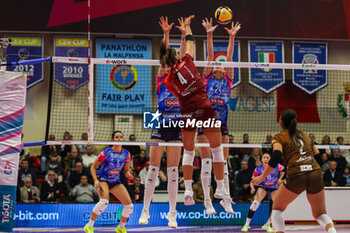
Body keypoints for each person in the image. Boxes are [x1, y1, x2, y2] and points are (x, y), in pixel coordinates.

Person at [160, 15, 230, 212]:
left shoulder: (167, 81)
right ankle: (221, 189)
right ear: (177, 57)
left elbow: (170, 66)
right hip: (204, 107)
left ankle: (188, 191)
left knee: (189, 152)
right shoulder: (188, 61)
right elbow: (190, 42)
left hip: (187, 111)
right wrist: (187, 28)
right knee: (217, 150)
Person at [253, 109, 337, 233]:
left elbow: (275, 157)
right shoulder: (305, 136)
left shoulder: (279, 137)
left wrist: (261, 177)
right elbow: (319, 159)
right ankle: (332, 231)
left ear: (281, 122)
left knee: (277, 209)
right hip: (315, 173)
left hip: (297, 174)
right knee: (320, 214)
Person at [139, 16, 184, 228]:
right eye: (165, 65)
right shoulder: (160, 77)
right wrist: (166, 34)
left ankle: (172, 213)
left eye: (170, 64)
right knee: (153, 169)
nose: (167, 67)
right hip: (159, 120)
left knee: (173, 171)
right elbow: (164, 55)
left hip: (177, 124)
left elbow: (183, 57)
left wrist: (184, 35)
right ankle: (145, 211)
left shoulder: (181, 78)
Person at [196, 17, 240, 215]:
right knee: (206, 164)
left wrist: (232, 38)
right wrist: (209, 33)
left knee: (222, 164)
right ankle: (207, 202)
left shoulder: (229, 80)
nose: (219, 65)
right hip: (205, 124)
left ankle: (226, 200)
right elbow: (211, 54)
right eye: (216, 64)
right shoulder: (207, 78)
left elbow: (229, 58)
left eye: (221, 65)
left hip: (222, 125)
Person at [84, 131, 134, 233]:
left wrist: (128, 173)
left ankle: (120, 227)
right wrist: (95, 180)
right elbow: (93, 167)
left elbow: (126, 170)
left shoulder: (126, 154)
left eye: (120, 137)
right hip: (103, 179)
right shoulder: (105, 153)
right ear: (112, 140)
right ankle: (89, 226)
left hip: (115, 181)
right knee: (104, 202)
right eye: (116, 137)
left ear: (123, 140)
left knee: (129, 206)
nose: (119, 139)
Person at [241, 153, 285, 233]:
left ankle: (267, 225)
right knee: (255, 203)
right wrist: (253, 187)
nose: (266, 159)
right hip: (263, 187)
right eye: (264, 158)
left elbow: (283, 171)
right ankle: (247, 224)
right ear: (262, 160)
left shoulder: (277, 166)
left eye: (267, 157)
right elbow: (253, 179)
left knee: (277, 206)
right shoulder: (258, 168)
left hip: (274, 187)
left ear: (270, 159)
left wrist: (280, 179)